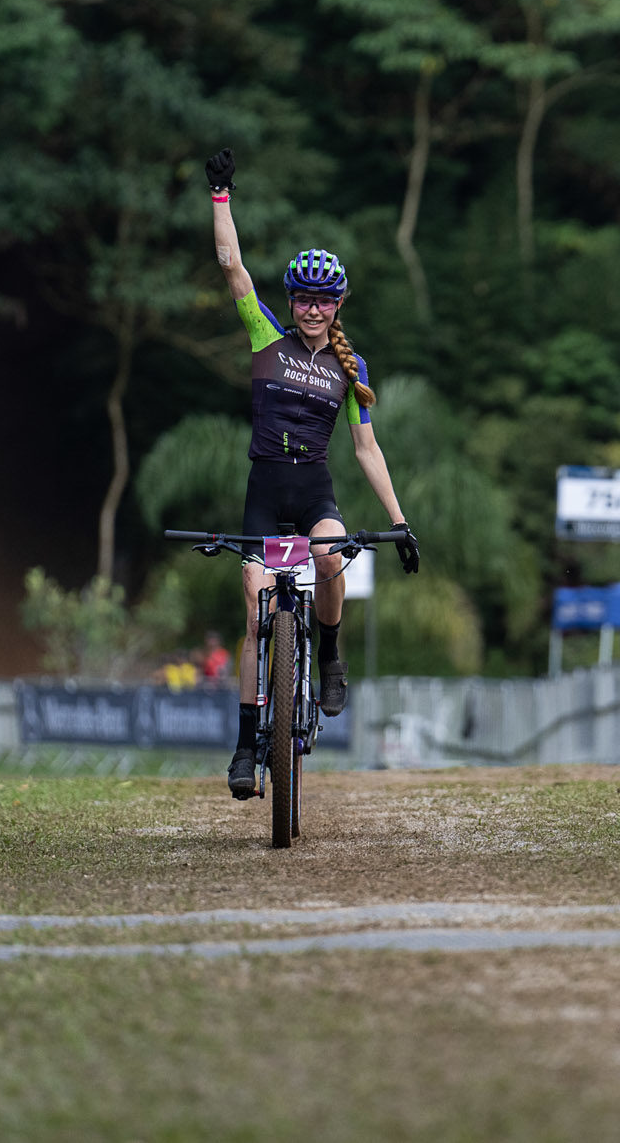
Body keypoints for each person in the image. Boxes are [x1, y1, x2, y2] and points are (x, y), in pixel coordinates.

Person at [205, 147, 420, 800]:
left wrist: (400, 522)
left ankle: (329, 657)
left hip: (314, 491)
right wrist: (221, 195)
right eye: (302, 299)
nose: (311, 310)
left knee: (331, 563)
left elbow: (366, 452)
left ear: (338, 304)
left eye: (323, 302)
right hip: (265, 491)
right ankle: (247, 748)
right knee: (254, 607)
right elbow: (232, 268)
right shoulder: (264, 336)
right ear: (293, 303)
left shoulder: (350, 373)